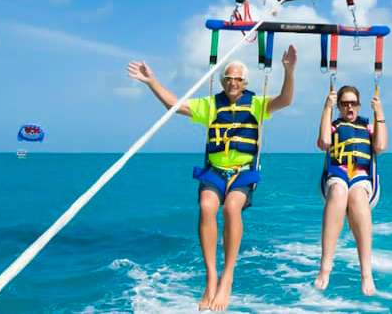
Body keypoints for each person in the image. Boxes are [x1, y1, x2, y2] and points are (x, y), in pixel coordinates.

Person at [127, 45, 296, 312]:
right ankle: (211, 277)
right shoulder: (210, 105)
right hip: (214, 171)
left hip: (243, 172)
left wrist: (289, 70)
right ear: (222, 81)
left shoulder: (256, 103)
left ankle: (228, 276)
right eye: (228, 78)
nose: (233, 82)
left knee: (231, 208)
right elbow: (174, 105)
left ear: (245, 82)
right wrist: (151, 81)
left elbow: (285, 100)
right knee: (206, 207)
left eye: (238, 79)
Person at [314, 84, 387, 296]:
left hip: (362, 177)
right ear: (339, 106)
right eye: (344, 104)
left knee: (356, 195)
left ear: (359, 105)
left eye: (353, 103)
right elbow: (324, 142)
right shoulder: (334, 125)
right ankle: (325, 267)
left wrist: (379, 112)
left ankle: (366, 273)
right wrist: (326, 108)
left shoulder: (368, 127)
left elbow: (380, 147)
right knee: (339, 191)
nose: (349, 108)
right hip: (337, 174)